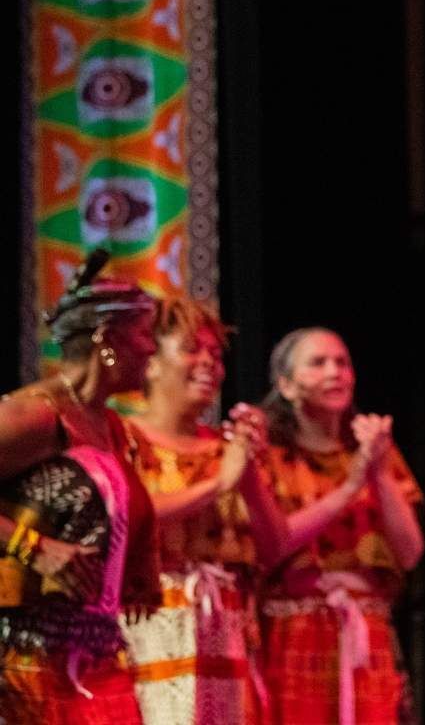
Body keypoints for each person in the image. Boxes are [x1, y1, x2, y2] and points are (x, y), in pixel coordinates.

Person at [0, 249, 162, 723]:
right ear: (106, 339)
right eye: (145, 335)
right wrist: (34, 546)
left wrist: (140, 563)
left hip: (94, 654)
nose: (152, 349)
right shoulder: (38, 413)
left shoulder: (111, 426)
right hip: (22, 656)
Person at [117, 297, 288, 723]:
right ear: (151, 362)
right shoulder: (122, 436)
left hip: (226, 630)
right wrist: (219, 484)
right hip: (150, 625)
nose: (210, 362)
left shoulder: (225, 448)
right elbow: (127, 518)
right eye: (192, 348)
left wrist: (247, 473)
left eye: (215, 354)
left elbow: (277, 546)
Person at [256, 327, 424, 725]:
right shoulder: (268, 455)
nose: (336, 372)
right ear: (287, 384)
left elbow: (411, 552)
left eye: (342, 363)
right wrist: (350, 487)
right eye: (318, 363)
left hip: (367, 630)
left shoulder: (375, 454)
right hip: (293, 631)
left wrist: (378, 472)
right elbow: (272, 544)